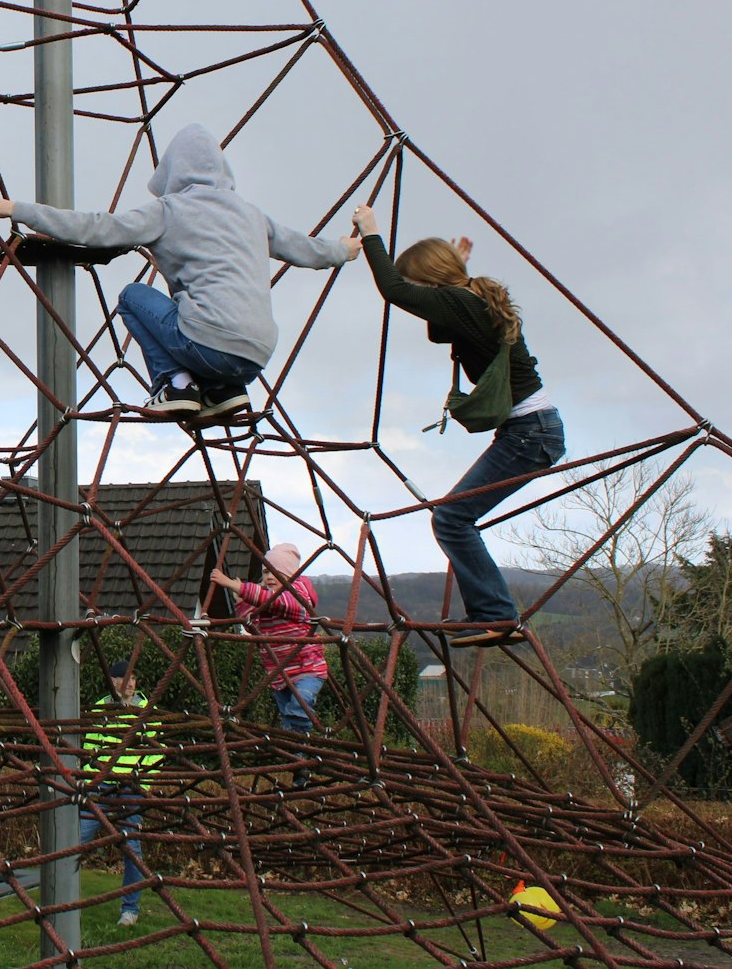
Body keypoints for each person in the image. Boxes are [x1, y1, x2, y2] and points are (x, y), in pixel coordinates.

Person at [0, 123, 361, 419]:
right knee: (208, 321)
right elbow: (306, 250)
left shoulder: (169, 211)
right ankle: (223, 392)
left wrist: (15, 208)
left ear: (172, 169)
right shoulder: (252, 215)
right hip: (257, 355)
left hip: (208, 343)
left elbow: (95, 228)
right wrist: (343, 249)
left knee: (132, 298)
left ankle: (175, 385)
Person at [352, 203, 565, 647]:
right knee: (455, 517)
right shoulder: (471, 298)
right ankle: (492, 612)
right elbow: (438, 330)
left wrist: (371, 232)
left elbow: (392, 289)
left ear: (429, 282)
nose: (416, 295)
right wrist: (453, 272)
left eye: (420, 287)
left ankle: (497, 615)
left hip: (531, 433)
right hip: (533, 430)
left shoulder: (459, 301)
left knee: (451, 519)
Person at [209, 543, 328, 785]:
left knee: (299, 709)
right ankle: (299, 767)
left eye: (276, 572)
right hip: (279, 674)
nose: (269, 577)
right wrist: (240, 600)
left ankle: (302, 754)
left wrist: (235, 585)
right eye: (265, 572)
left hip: (308, 669)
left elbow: (277, 602)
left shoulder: (297, 596)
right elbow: (252, 624)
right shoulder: (267, 599)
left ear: (290, 575)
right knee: (288, 721)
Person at [78, 659, 160, 926]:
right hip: (101, 786)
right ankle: (65, 901)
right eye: (125, 678)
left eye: (134, 678)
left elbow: (154, 754)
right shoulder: (102, 709)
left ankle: (130, 910)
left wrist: (142, 786)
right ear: (113, 682)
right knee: (75, 840)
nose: (131, 683)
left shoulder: (148, 711)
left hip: (131, 789)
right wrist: (92, 782)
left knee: (131, 849)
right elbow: (91, 748)